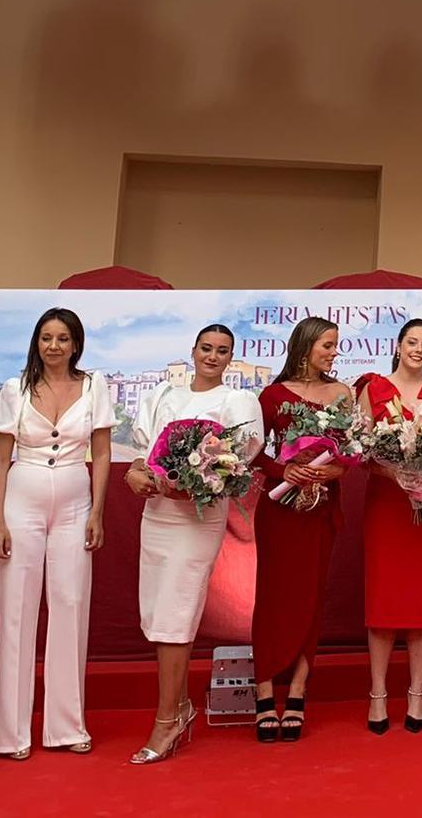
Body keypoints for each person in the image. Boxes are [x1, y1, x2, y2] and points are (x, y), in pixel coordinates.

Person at [125, 324, 263, 765]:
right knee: (156, 610)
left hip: (199, 518)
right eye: (206, 348)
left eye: (223, 351)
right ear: (193, 351)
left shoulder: (237, 402)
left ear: (230, 358)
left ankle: (167, 719)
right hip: (159, 516)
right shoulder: (163, 396)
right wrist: (137, 477)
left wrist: (199, 481)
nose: (213, 356)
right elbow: (140, 459)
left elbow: (239, 463)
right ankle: (180, 706)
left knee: (176, 612)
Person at [0, 306, 114, 759]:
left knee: (70, 605)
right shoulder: (12, 389)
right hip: (23, 497)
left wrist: (97, 511)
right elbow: (0, 458)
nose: (53, 346)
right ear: (36, 342)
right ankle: (11, 733)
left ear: (76, 344)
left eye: (62, 338)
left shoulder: (95, 386)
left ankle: (66, 726)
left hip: (76, 502)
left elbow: (101, 452)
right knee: (16, 611)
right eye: (46, 338)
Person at [250, 316, 351, 743]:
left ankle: (297, 691)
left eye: (336, 346)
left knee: (311, 597)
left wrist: (332, 473)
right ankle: (263, 692)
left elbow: (350, 451)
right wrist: (285, 470)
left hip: (321, 510)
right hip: (279, 511)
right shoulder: (272, 395)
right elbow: (255, 453)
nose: (332, 352)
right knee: (271, 597)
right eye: (327, 345)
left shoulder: (344, 394)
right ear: (306, 345)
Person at [358, 316, 422, 735]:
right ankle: (378, 693)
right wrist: (396, 474)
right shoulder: (373, 388)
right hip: (387, 506)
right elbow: (361, 450)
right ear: (397, 345)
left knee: (421, 599)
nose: (419, 349)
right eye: (412, 341)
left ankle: (417, 692)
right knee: (383, 600)